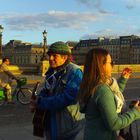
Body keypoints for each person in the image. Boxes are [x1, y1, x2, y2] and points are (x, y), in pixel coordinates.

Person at [78, 48, 140, 140]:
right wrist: (135, 112)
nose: (113, 66)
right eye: (111, 63)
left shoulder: (90, 84)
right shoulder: (101, 90)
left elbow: (112, 96)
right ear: (100, 65)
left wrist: (122, 80)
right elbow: (114, 124)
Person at [30, 41, 84, 140]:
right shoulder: (51, 71)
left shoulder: (75, 72)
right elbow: (46, 90)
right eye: (49, 55)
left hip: (65, 124)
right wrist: (37, 100)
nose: (50, 58)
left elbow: (68, 98)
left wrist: (40, 102)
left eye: (54, 56)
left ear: (64, 57)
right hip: (49, 120)